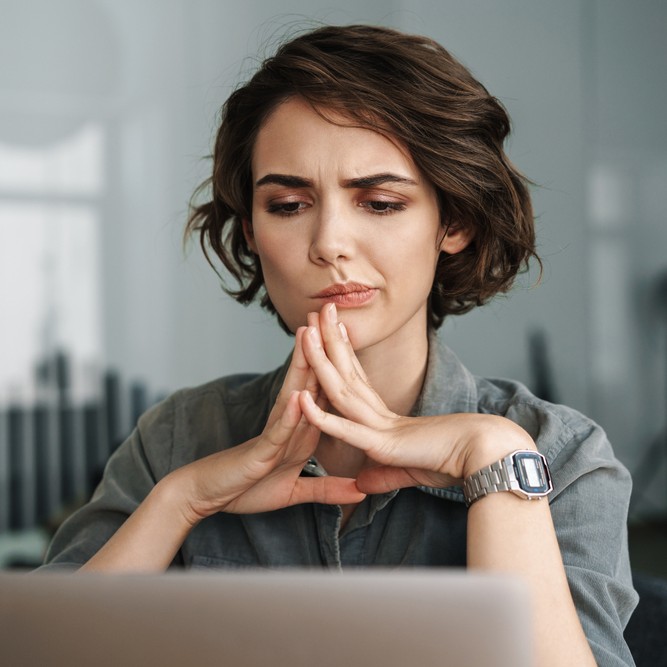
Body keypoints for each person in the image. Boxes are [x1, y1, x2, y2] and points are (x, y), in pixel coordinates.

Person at [41, 24, 637, 666]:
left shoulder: (561, 458)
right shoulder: (180, 439)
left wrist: (490, 453)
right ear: (252, 232)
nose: (328, 241)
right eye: (290, 204)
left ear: (454, 221)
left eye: (379, 203)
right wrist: (183, 502)